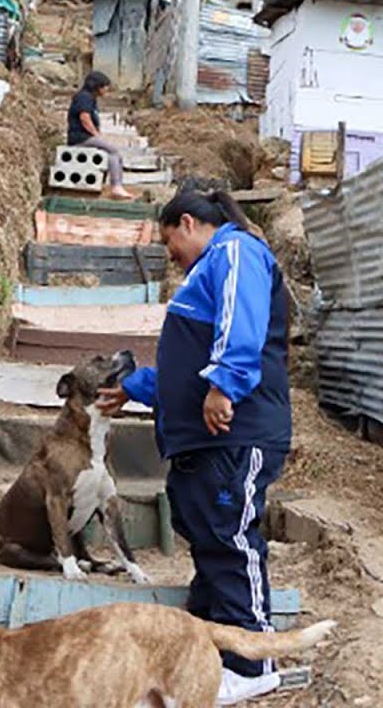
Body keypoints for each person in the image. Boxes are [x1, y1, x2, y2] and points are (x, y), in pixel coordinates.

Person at [97, 191, 291, 705]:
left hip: (235, 434)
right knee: (210, 542)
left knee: (230, 540)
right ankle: (212, 661)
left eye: (169, 241)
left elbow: (239, 325)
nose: (172, 254)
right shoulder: (207, 272)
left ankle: (252, 665)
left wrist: (224, 385)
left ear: (187, 222)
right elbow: (185, 366)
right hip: (203, 443)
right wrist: (136, 388)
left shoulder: (234, 253)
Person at [67, 71, 133, 200]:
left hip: (85, 137)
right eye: (105, 86)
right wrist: (96, 135)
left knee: (111, 154)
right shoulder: (84, 97)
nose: (106, 89)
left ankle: (114, 184)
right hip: (80, 138)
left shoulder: (90, 98)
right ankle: (116, 186)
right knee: (113, 151)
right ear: (97, 86)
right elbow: (84, 118)